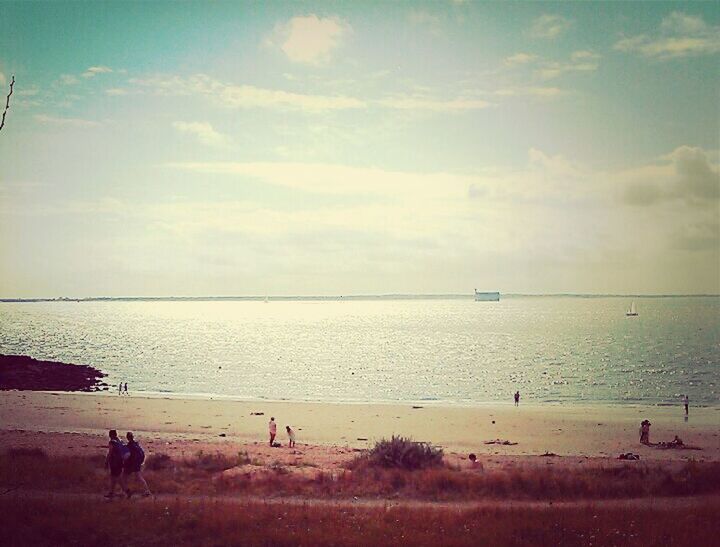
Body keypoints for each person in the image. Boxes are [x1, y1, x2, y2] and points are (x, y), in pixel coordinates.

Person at [124, 432, 151, 497]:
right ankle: (146, 491)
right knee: (139, 477)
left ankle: (126, 491)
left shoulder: (130, 446)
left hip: (131, 464)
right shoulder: (136, 444)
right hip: (137, 463)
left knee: (124, 477)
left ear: (127, 437)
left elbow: (127, 456)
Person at [105, 429, 130, 498]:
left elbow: (110, 452)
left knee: (117, 478)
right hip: (120, 462)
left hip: (114, 463)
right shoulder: (120, 441)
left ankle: (126, 491)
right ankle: (111, 492)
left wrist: (106, 461)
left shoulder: (112, 442)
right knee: (113, 477)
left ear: (111, 435)